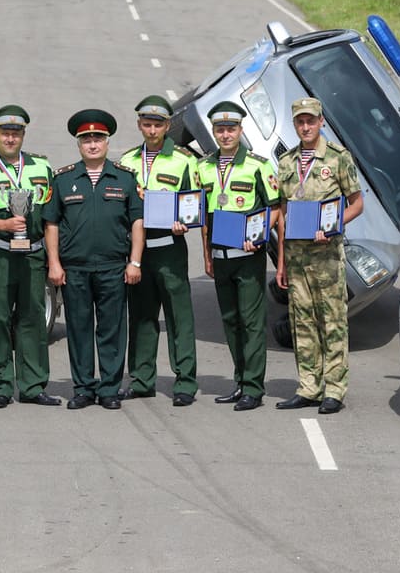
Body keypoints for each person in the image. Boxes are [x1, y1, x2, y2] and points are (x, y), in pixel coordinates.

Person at [43, 109, 144, 411]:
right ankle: (84, 388)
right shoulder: (62, 179)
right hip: (75, 268)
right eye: (86, 139)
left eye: (98, 138)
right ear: (78, 144)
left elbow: (137, 222)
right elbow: (51, 224)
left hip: (114, 267)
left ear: (107, 142)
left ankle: (110, 388)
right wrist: (54, 263)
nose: (92, 144)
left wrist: (134, 262)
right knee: (79, 328)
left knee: (112, 329)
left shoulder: (125, 179)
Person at [0, 105, 62, 409]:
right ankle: (1, 386)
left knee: (32, 319)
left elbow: (50, 219)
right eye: (5, 132)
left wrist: (54, 260)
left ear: (23, 135)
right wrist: (2, 224)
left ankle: (33, 386)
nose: (10, 138)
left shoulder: (41, 168)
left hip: (32, 255)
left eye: (15, 133)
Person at [275, 97, 364, 415]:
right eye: (300, 121)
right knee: (302, 322)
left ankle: (335, 389)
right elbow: (284, 214)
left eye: (310, 120)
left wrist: (332, 225)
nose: (306, 126)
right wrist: (281, 262)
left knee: (333, 322)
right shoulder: (286, 162)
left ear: (321, 121)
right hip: (297, 256)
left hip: (326, 255)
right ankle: (308, 387)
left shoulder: (338, 158)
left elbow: (356, 202)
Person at [197, 101, 282, 412]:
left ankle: (254, 387)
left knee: (251, 321)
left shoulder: (258, 166)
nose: (225, 134)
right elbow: (203, 215)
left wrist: (257, 235)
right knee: (231, 320)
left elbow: (275, 207)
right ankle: (239, 380)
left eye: (231, 129)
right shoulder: (203, 167)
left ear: (240, 130)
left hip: (247, 256)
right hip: (220, 255)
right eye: (220, 129)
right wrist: (206, 254)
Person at [117, 95, 200, 407]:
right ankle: (141, 379)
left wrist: (184, 223)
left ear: (168, 126)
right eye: (146, 124)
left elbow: (193, 205)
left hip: (169, 249)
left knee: (179, 317)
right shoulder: (126, 161)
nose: (152, 130)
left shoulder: (184, 160)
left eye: (158, 125)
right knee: (141, 316)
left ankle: (185, 381)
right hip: (137, 251)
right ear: (139, 124)